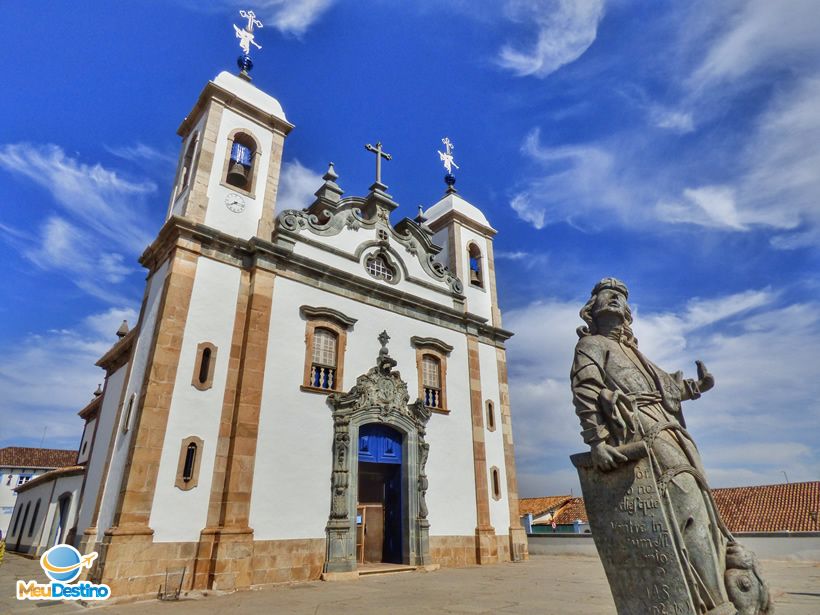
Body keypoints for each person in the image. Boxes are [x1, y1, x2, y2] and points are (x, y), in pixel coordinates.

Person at [571, 278, 770, 615]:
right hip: (642, 430)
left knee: (700, 507)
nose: (617, 298)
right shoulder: (592, 345)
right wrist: (597, 441)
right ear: (592, 308)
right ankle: (708, 600)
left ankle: (709, 596)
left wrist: (696, 386)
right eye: (609, 295)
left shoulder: (634, 352)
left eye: (622, 296)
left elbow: (667, 386)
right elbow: (586, 390)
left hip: (669, 429)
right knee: (687, 501)